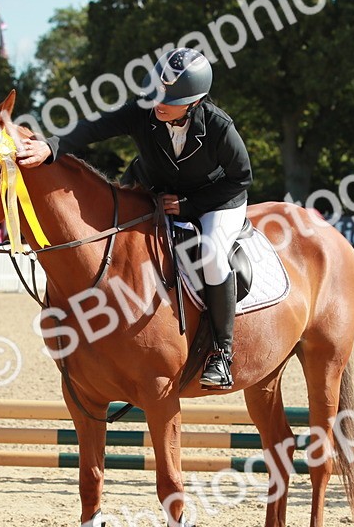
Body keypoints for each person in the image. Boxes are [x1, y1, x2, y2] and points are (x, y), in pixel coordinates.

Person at [17, 48, 252, 389]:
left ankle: (221, 352)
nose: (158, 103)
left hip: (216, 201)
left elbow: (240, 178)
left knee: (213, 256)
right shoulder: (145, 111)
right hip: (157, 191)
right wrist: (52, 146)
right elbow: (95, 127)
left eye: (168, 99)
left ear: (194, 102)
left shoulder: (218, 127)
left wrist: (188, 206)